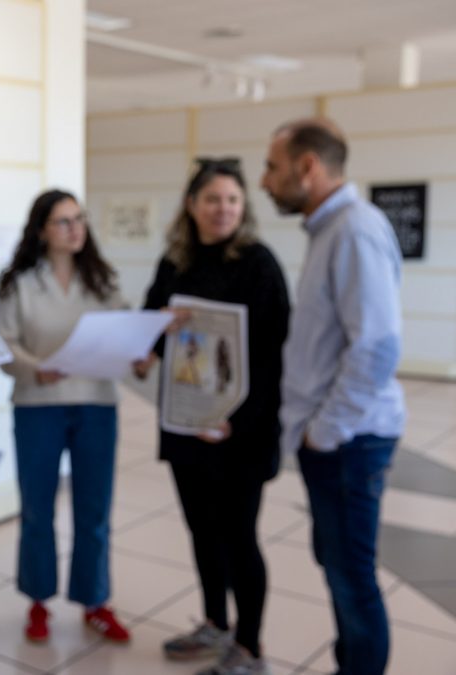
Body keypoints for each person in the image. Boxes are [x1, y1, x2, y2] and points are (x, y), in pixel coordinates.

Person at [135, 157, 290, 675]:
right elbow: (151, 327)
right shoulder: (174, 261)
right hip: (187, 423)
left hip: (241, 430)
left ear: (244, 206)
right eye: (212, 199)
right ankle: (214, 623)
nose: (223, 209)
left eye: (232, 200)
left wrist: (235, 423)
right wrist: (154, 333)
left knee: (239, 537)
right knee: (202, 531)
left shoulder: (259, 264)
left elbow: (274, 357)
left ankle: (249, 647)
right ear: (191, 204)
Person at [261, 118, 404, 675]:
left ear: (308, 167)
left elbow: (376, 348)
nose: (265, 181)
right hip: (334, 439)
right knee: (338, 565)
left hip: (348, 441)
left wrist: (324, 432)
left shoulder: (354, 230)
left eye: (272, 167)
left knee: (351, 577)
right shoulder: (331, 230)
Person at [0, 189, 130, 645]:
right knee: (37, 510)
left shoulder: (104, 281)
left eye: (79, 219)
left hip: (97, 403)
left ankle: (95, 601)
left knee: (95, 510)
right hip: (38, 405)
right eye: (63, 222)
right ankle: (38, 600)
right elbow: (5, 345)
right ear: (42, 231)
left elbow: (124, 329)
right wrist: (36, 368)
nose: (75, 229)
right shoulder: (20, 284)